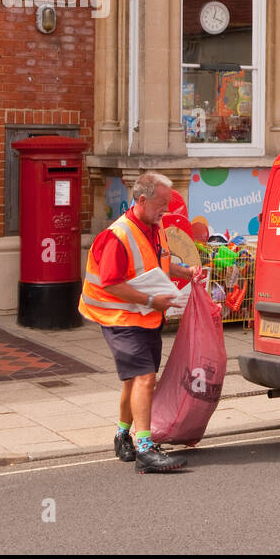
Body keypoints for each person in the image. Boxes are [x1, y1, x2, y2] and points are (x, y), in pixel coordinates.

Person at [79, 172, 201, 473]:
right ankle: (145, 448)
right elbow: (110, 284)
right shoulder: (116, 236)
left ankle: (122, 435)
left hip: (144, 316)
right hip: (119, 317)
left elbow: (160, 259)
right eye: (162, 204)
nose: (166, 211)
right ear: (142, 200)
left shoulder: (155, 227)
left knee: (135, 380)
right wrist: (151, 301)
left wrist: (186, 272)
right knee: (146, 377)